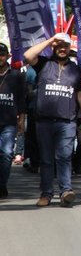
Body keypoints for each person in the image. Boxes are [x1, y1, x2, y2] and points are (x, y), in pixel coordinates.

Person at [24, 33, 81, 207]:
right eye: (59, 46)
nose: (62, 49)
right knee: (46, 159)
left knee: (64, 157)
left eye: (65, 46)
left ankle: (66, 191)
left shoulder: (75, 69)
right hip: (44, 121)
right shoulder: (44, 63)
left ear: (70, 48)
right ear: (54, 47)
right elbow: (28, 55)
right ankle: (46, 194)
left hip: (67, 121)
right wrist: (49, 40)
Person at [0, 43, 26, 198]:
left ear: (7, 56)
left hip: (9, 122)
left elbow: (21, 100)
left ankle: (2, 184)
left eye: (2, 54)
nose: (0, 57)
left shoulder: (16, 75)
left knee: (6, 153)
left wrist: (21, 120)